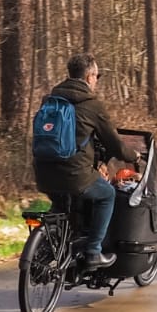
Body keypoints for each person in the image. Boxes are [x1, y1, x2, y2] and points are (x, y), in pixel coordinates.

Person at [31, 54, 126, 273]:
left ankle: (45, 253)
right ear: (90, 76)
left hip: (43, 172)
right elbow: (116, 146)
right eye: (97, 76)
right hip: (74, 175)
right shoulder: (92, 105)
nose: (97, 80)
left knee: (61, 206)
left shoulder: (49, 100)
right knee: (106, 195)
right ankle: (93, 251)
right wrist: (133, 156)